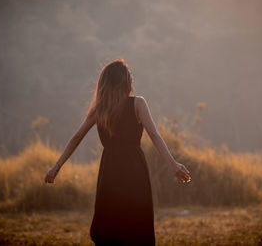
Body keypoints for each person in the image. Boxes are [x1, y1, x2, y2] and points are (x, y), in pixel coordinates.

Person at [44, 59, 191, 245]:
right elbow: (154, 135)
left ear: (104, 83)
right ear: (126, 81)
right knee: (136, 223)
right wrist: (173, 165)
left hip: (110, 170)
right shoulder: (138, 103)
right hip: (134, 169)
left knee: (111, 224)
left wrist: (56, 166)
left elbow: (77, 137)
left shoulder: (100, 109)